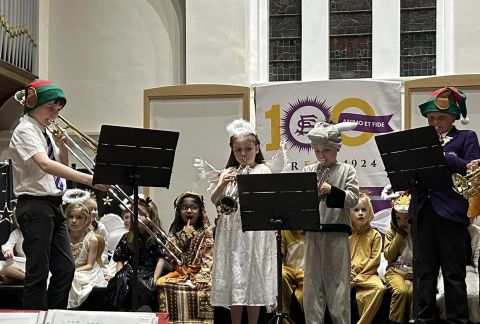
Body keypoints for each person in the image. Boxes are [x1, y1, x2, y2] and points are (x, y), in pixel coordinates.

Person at [9, 79, 109, 310]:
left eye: (58, 109)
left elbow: (60, 166)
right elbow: (45, 165)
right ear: (33, 104)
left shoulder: (43, 132)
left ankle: (55, 314)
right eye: (50, 108)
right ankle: (33, 317)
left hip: (54, 204)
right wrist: (91, 179)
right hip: (35, 205)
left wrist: (62, 146)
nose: (54, 114)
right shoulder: (25, 129)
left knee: (66, 268)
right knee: (38, 271)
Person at [411, 87, 480, 323]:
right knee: (424, 273)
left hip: (451, 214)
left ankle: (457, 320)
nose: (435, 122)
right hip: (422, 211)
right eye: (431, 118)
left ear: (452, 118)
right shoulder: (420, 141)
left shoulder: (466, 137)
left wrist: (449, 158)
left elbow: (473, 169)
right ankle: (424, 319)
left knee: (453, 273)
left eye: (440, 117)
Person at [210, 119, 276, 324]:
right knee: (235, 280)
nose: (243, 154)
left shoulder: (263, 170)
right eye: (238, 150)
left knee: (253, 280)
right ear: (232, 150)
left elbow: (267, 199)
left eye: (248, 149)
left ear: (257, 148)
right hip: (232, 233)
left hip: (255, 233)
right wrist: (221, 183)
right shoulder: (229, 172)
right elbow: (215, 201)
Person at [302, 120, 359, 324]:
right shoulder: (308, 170)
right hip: (312, 235)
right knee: (311, 287)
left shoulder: (347, 171)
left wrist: (331, 190)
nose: (321, 155)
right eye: (317, 151)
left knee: (339, 287)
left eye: (326, 150)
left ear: (336, 149)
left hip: (336, 235)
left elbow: (353, 198)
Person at [156, 191, 214, 323]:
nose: (189, 211)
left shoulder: (206, 232)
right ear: (179, 211)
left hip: (201, 274)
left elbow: (209, 257)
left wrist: (202, 277)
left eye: (194, 207)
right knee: (162, 284)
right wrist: (183, 236)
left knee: (204, 289)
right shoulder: (175, 230)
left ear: (200, 211)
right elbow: (169, 255)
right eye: (184, 207)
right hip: (181, 273)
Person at [107, 196, 166, 311]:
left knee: (142, 285)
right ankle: (122, 310)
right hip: (130, 269)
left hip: (148, 270)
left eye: (142, 215)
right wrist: (119, 274)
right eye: (135, 214)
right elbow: (120, 259)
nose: (137, 217)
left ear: (151, 217)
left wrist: (154, 279)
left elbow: (161, 259)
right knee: (120, 280)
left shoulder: (158, 236)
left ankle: (140, 310)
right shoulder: (128, 236)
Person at [349, 192, 384, 324]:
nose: (360, 213)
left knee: (379, 288)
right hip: (347, 275)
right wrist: (348, 274)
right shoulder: (344, 234)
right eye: (356, 210)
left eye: (364, 210)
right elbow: (340, 258)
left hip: (368, 276)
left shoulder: (375, 235)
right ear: (349, 212)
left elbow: (375, 260)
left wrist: (359, 277)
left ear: (369, 212)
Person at [381, 186, 413, 324]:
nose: (403, 222)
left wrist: (411, 276)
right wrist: (399, 236)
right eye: (399, 218)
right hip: (395, 270)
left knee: (413, 293)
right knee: (401, 292)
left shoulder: (421, 232)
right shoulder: (392, 231)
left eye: (406, 218)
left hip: (416, 271)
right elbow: (388, 256)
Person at [65, 203, 107, 308]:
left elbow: (90, 265)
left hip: (87, 271)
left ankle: (74, 308)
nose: (74, 221)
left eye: (79, 217)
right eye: (71, 217)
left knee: (74, 278)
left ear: (86, 220)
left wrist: (73, 270)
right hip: (66, 268)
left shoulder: (92, 239)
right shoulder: (63, 236)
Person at [437, 222, 480, 323]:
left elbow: (477, 260)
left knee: (474, 295)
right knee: (445, 295)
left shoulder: (476, 232)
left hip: (469, 269)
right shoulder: (443, 229)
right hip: (445, 269)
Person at [281, 230, 305, 317]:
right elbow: (280, 255)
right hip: (288, 271)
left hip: (305, 273)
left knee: (310, 283)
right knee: (281, 274)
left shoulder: (312, 231)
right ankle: (284, 316)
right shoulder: (285, 231)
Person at [1, 211, 25, 283]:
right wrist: (8, 251)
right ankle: (25, 278)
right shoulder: (17, 232)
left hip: (36, 265)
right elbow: (8, 245)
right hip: (19, 264)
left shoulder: (42, 232)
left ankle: (19, 278)